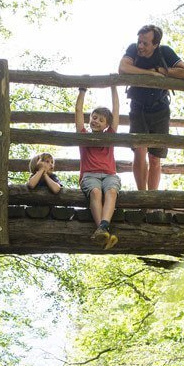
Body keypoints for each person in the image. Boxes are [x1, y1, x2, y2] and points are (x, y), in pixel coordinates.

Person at [118, 24, 184, 191]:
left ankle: (152, 198)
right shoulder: (133, 50)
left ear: (155, 44)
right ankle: (142, 196)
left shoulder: (164, 51)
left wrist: (161, 70)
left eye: (145, 43)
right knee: (139, 151)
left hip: (160, 109)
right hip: (138, 108)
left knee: (155, 157)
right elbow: (123, 68)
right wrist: (150, 73)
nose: (140, 46)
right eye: (139, 42)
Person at [75, 86, 121, 250]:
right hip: (89, 175)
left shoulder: (110, 135)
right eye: (94, 117)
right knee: (95, 192)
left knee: (112, 192)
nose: (96, 121)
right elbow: (78, 110)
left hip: (109, 175)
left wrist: (114, 87)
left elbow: (116, 110)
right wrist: (82, 90)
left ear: (106, 125)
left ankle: (103, 229)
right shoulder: (83, 135)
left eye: (101, 120)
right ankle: (103, 228)